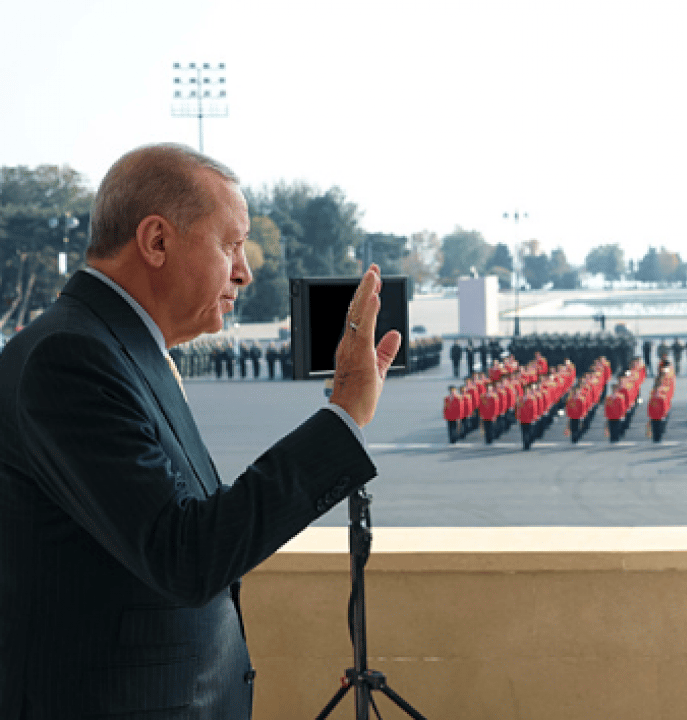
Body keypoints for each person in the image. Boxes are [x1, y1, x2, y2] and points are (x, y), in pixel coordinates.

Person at [0, 144, 401, 720]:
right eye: (231, 244)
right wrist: (344, 414)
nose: (244, 271)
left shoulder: (115, 348)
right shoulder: (71, 358)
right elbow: (185, 555)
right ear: (156, 241)